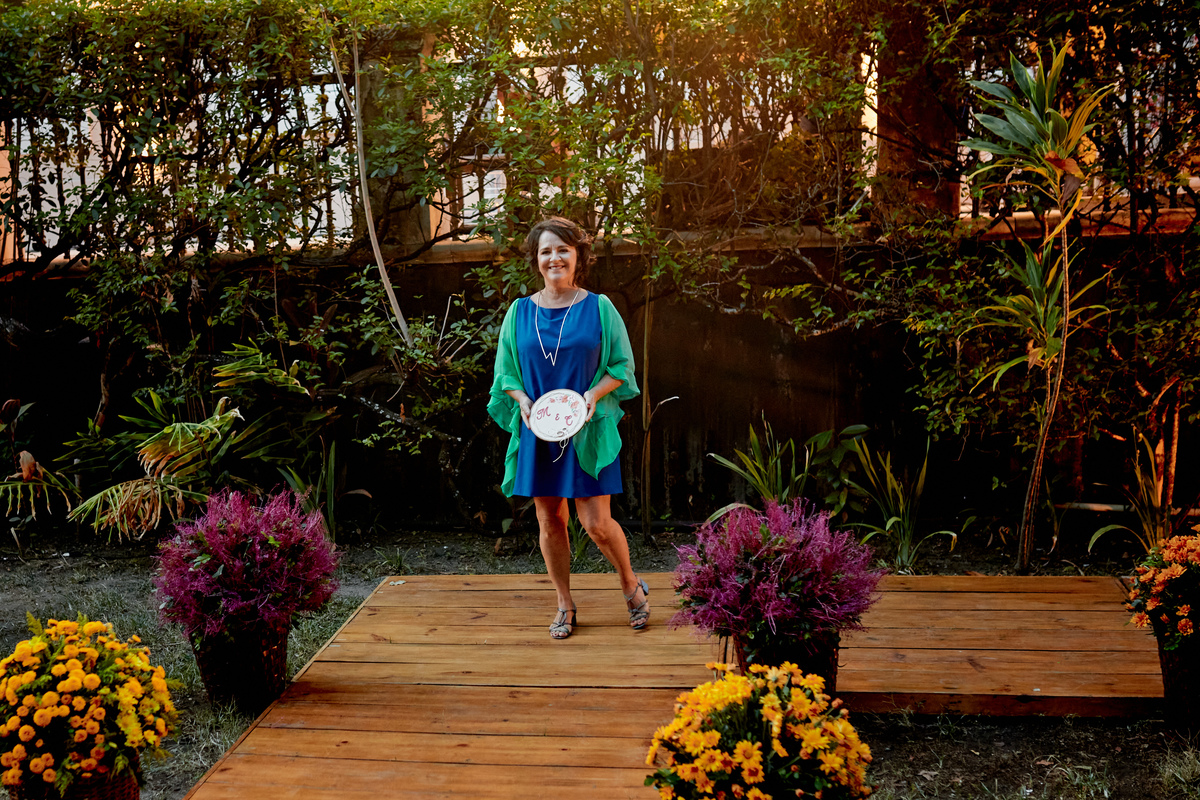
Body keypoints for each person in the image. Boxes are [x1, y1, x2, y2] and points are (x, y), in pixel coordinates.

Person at [488, 216, 648, 639]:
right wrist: (521, 400)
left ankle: (630, 583)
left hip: (586, 429)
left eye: (563, 249)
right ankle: (564, 602)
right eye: (545, 251)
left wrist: (594, 395)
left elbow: (621, 368)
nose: (554, 257)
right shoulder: (519, 312)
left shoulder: (599, 307)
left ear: (578, 256)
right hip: (540, 431)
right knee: (549, 520)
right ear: (536, 260)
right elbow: (506, 374)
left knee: (596, 523)